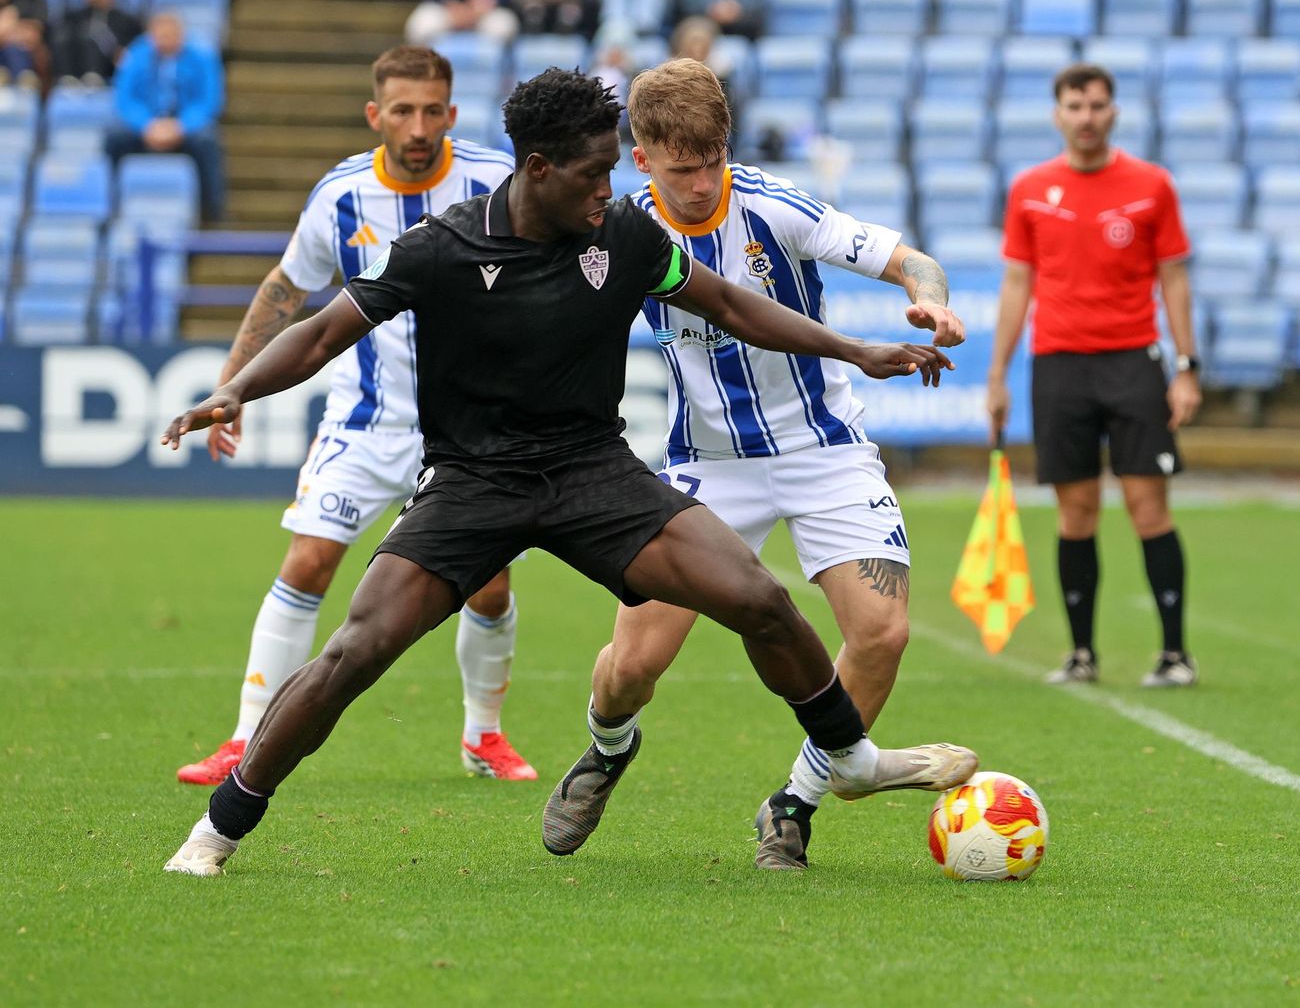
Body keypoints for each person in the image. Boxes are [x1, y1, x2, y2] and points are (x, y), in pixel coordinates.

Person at [160, 68, 976, 877]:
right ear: (539, 170)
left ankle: (846, 756)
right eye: (594, 173)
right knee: (356, 651)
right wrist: (234, 387)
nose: (610, 189)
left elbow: (729, 304)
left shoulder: (621, 237)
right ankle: (219, 827)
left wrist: (857, 349)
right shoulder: (444, 246)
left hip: (595, 474)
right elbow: (321, 332)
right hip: (472, 484)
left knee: (760, 599)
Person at [537, 58, 966, 870]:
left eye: (713, 161)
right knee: (633, 664)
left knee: (882, 632)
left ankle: (794, 804)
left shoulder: (775, 207)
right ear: (643, 159)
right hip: (708, 467)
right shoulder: (620, 231)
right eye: (682, 167)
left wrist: (931, 297)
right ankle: (605, 748)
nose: (702, 183)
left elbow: (909, 258)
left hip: (825, 449)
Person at [174, 46, 536, 788]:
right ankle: (245, 738)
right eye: (402, 110)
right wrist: (231, 384)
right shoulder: (339, 195)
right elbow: (286, 287)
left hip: (469, 430)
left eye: (433, 109)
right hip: (366, 423)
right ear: (375, 114)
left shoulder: (491, 183)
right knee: (307, 561)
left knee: (489, 584)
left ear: (452, 113)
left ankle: (484, 736)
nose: (418, 125)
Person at [986, 63, 1203, 689]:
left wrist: (1186, 367)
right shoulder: (1029, 188)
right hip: (1058, 365)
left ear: (1114, 112)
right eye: (1076, 106)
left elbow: (1175, 278)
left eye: (1098, 106)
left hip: (1134, 361)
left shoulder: (1152, 185)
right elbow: (1018, 283)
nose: (1087, 117)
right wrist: (997, 375)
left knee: (1147, 507)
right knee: (1075, 512)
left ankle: (1174, 654)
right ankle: (1081, 654)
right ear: (1058, 114)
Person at [106, 12, 226, 221]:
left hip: (185, 129)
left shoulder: (203, 56)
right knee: (114, 138)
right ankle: (111, 206)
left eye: (170, 35)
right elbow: (125, 99)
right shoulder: (137, 54)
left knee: (208, 141)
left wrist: (180, 126)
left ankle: (212, 214)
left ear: (181, 35)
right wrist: (146, 125)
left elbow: (209, 101)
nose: (165, 40)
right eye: (160, 35)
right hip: (146, 128)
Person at [52, 0, 143, 86]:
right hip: (75, 76)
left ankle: (93, 79)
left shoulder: (127, 21)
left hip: (110, 75)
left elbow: (138, 49)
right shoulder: (72, 18)